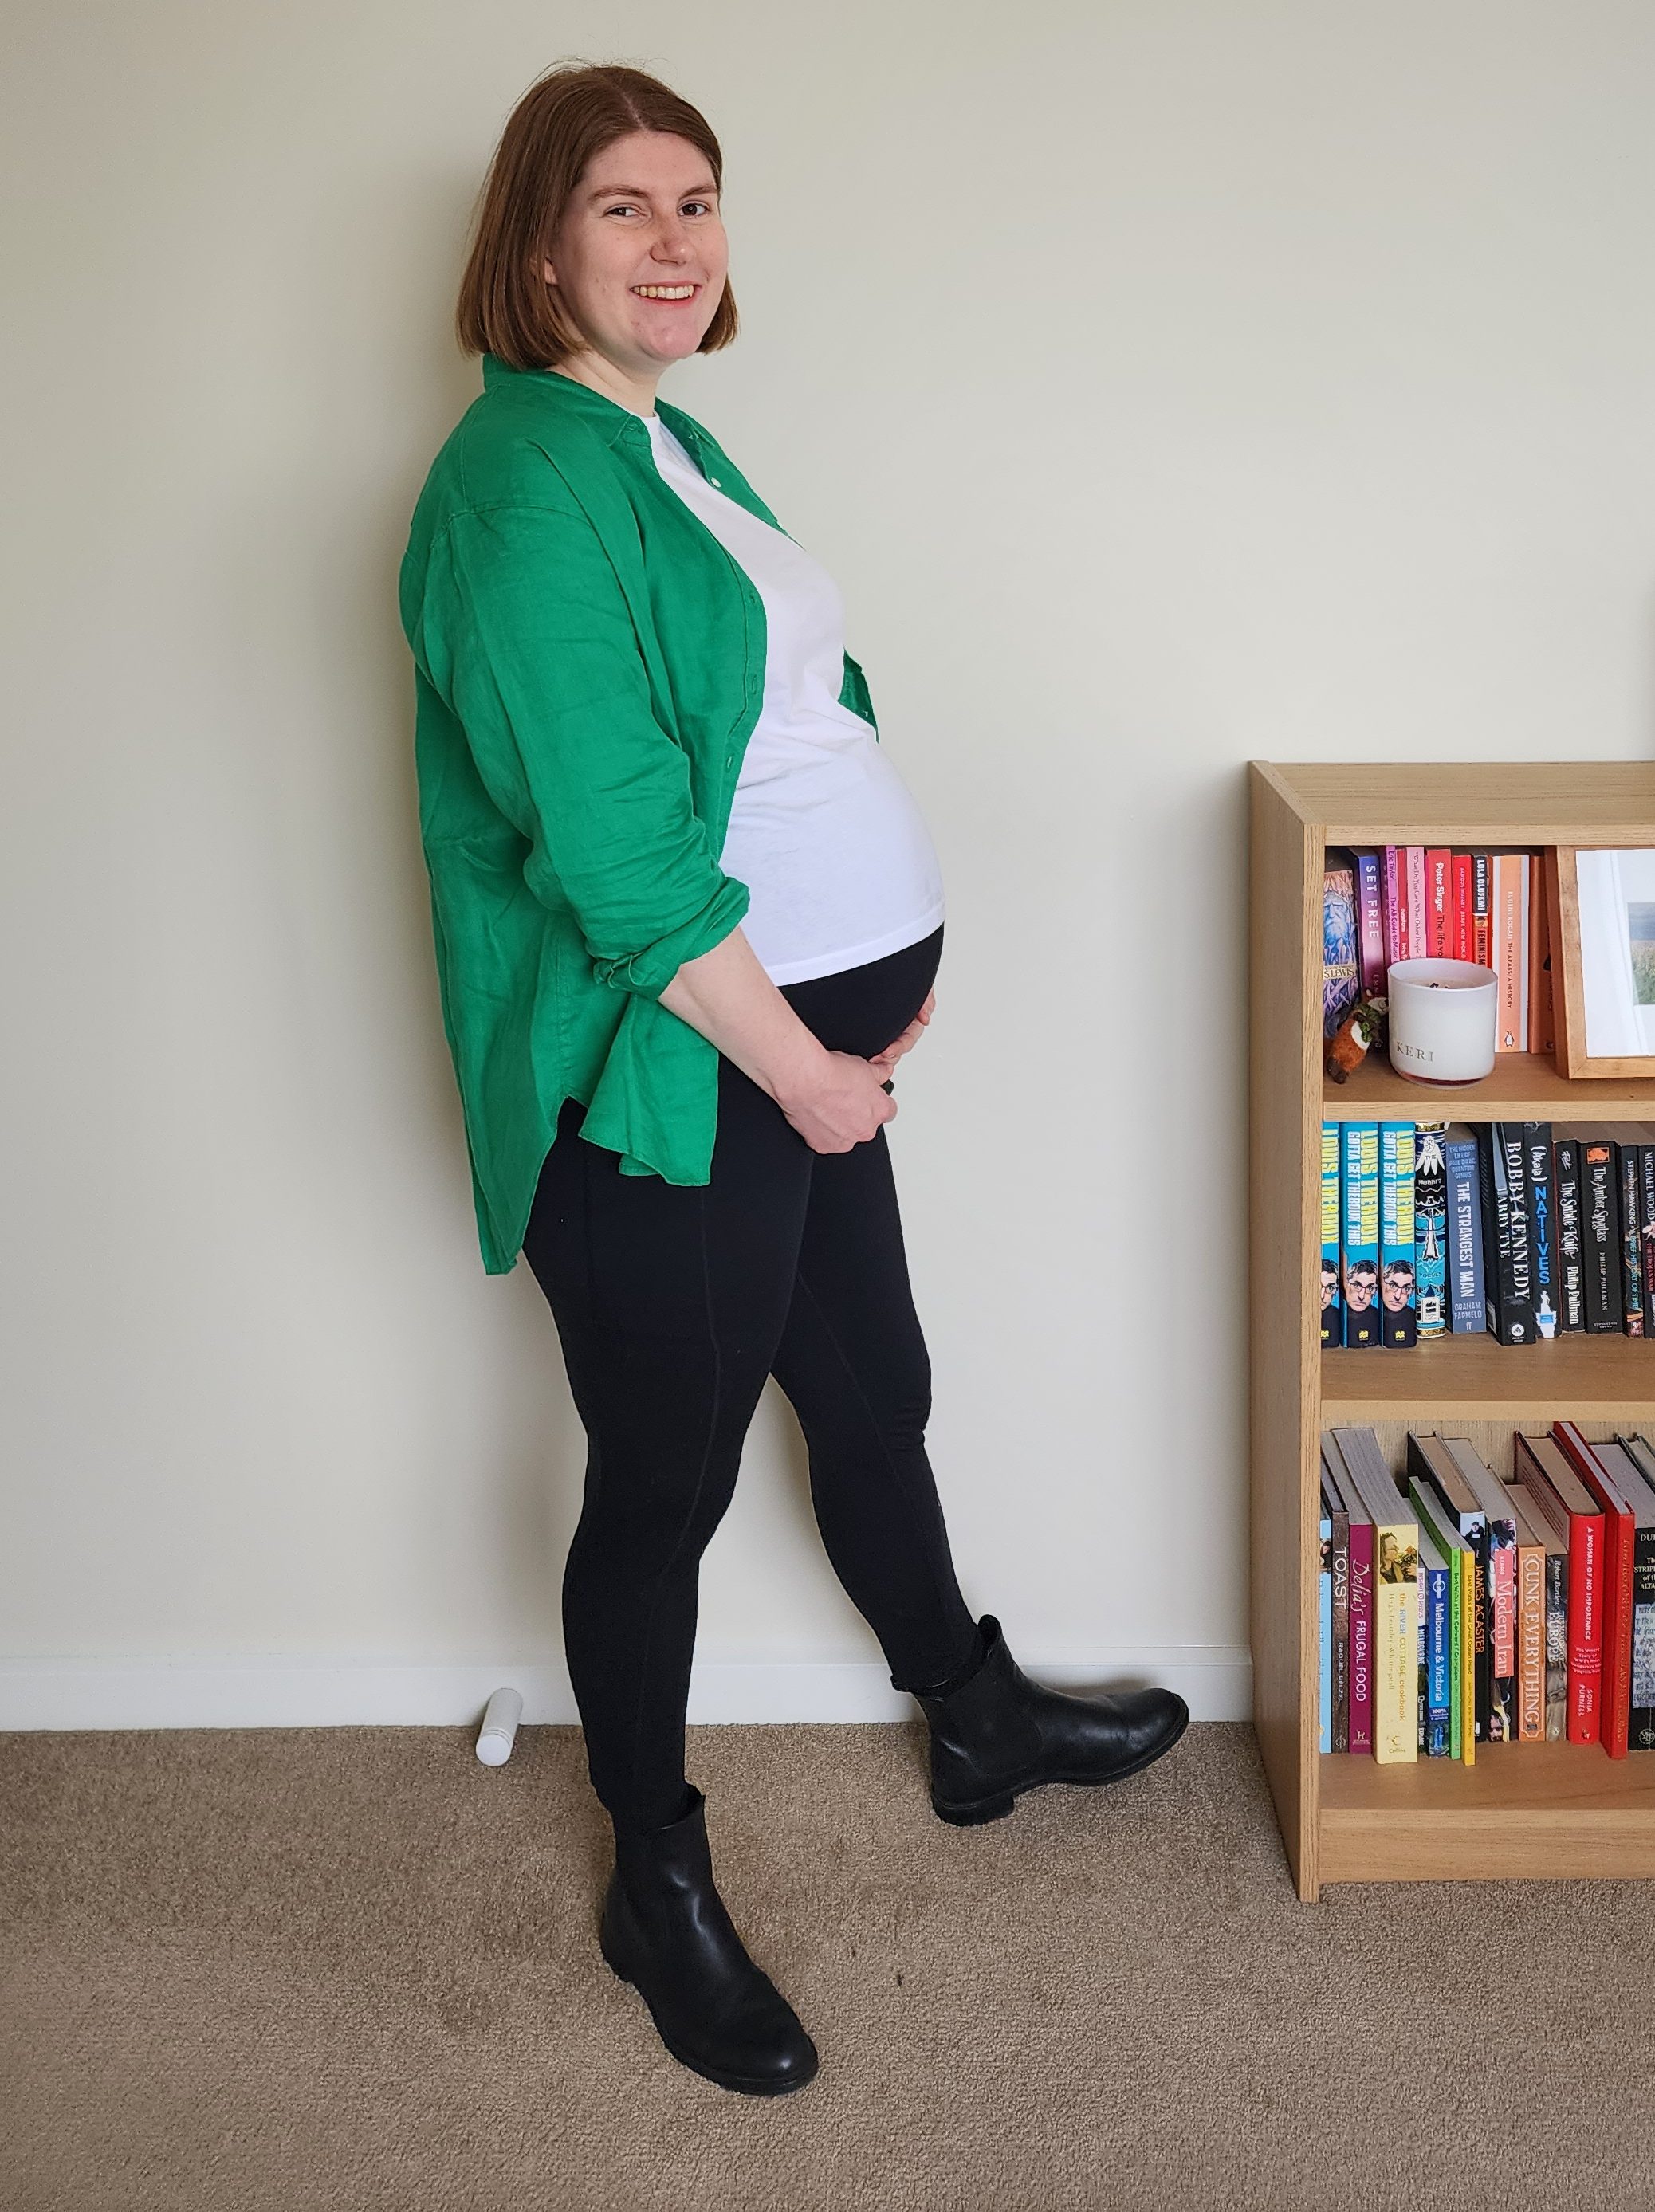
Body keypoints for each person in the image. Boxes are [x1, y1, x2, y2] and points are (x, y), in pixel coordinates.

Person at [399, 60, 1189, 2097]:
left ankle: (970, 1702)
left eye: (698, 201)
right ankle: (651, 1882)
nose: (676, 243)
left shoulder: (672, 442)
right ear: (535, 245)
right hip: (681, 1075)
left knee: (871, 1389)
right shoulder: (515, 485)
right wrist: (808, 1065)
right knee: (658, 1484)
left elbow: (799, 701)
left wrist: (867, 964)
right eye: (623, 209)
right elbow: (615, 855)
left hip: (804, 1046)